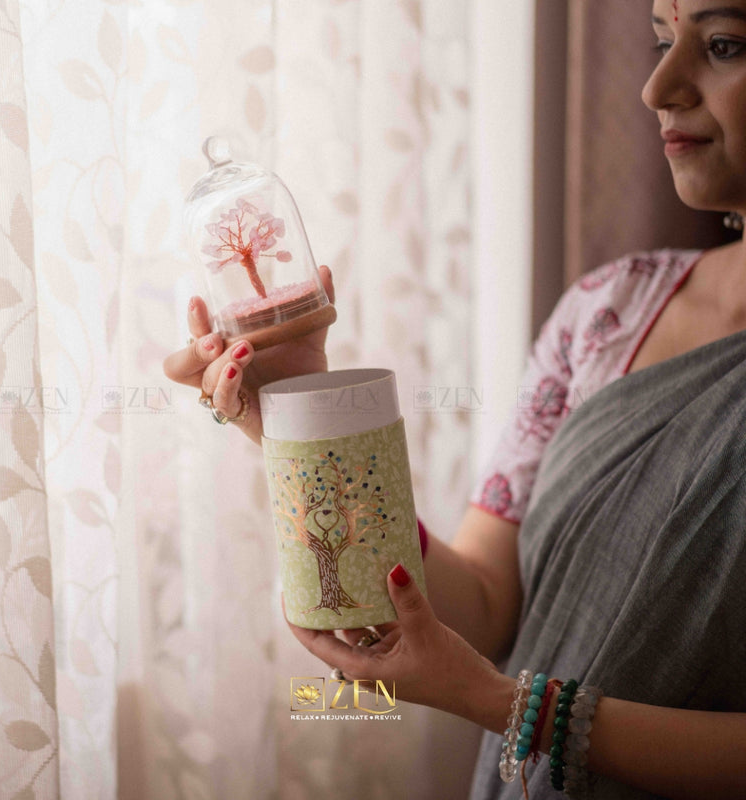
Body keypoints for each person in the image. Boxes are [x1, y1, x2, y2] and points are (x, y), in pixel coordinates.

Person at [164, 1, 746, 796]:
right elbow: (485, 604)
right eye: (658, 40)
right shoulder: (608, 313)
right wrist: (302, 412)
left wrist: (499, 703)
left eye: (721, 45)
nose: (657, 86)